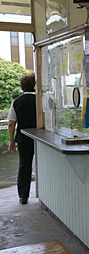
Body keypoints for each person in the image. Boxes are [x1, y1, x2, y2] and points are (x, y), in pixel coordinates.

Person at [7, 74, 36, 205]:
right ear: (34, 85)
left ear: (21, 86)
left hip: (23, 138)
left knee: (24, 166)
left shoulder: (16, 101)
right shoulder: (41, 99)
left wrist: (11, 141)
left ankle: (23, 196)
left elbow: (11, 123)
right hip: (41, 137)